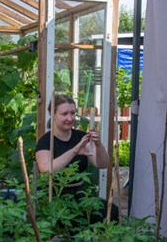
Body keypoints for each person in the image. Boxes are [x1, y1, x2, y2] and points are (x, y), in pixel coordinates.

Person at [35, 94, 119, 223]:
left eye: (73, 113)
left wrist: (98, 144)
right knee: (72, 222)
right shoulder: (45, 141)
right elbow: (46, 170)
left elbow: (102, 164)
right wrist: (74, 151)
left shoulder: (81, 137)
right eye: (64, 114)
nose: (70, 118)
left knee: (111, 211)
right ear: (53, 115)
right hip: (53, 197)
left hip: (79, 194)